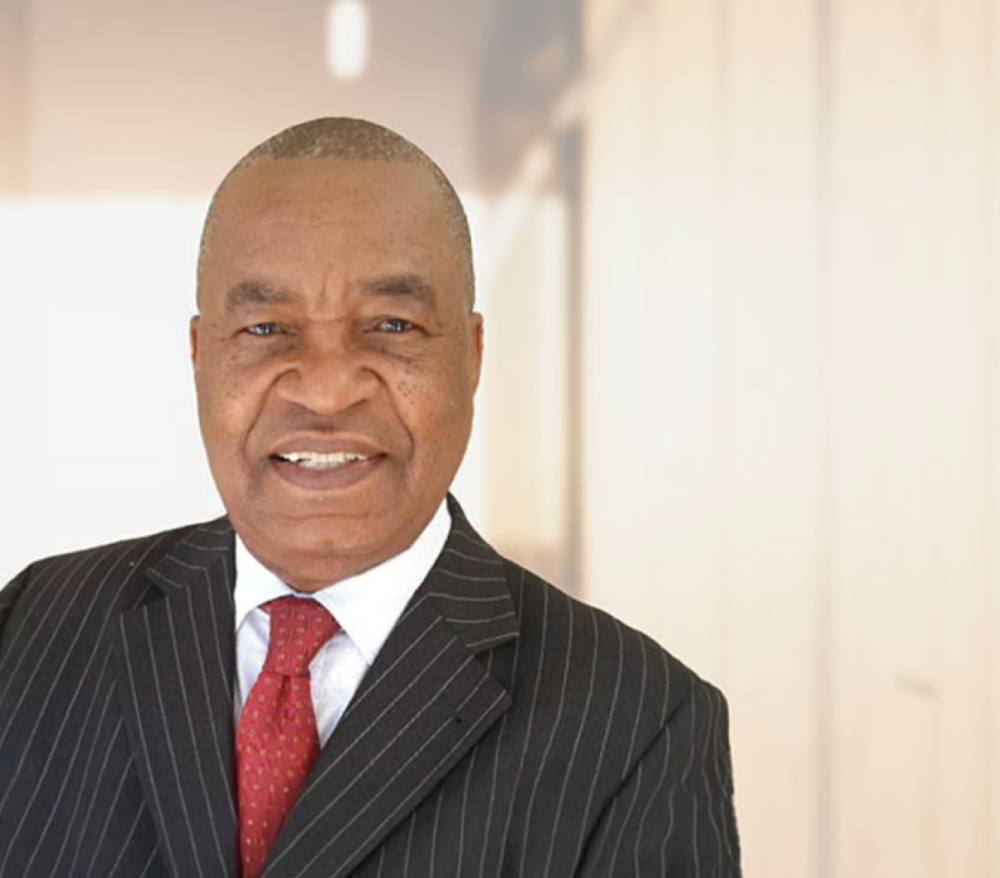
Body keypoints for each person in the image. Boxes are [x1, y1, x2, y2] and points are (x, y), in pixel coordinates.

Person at [0, 118, 741, 878]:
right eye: (266, 326)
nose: (325, 389)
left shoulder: (640, 723)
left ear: (471, 356)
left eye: (392, 325)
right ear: (200, 356)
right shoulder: (31, 628)